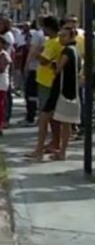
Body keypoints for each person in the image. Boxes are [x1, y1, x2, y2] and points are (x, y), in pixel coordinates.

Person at [26, 16, 64, 161]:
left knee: (44, 117)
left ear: (49, 28)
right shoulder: (52, 42)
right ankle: (55, 142)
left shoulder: (53, 43)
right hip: (46, 81)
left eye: (44, 28)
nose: (43, 30)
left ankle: (39, 149)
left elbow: (44, 60)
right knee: (53, 117)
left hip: (48, 83)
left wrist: (36, 53)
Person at [48, 27, 81, 161]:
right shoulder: (76, 51)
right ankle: (61, 150)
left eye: (64, 36)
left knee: (62, 122)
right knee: (66, 123)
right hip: (72, 90)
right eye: (61, 35)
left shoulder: (67, 51)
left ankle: (61, 151)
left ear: (71, 37)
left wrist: (52, 64)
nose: (61, 38)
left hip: (65, 91)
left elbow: (58, 69)